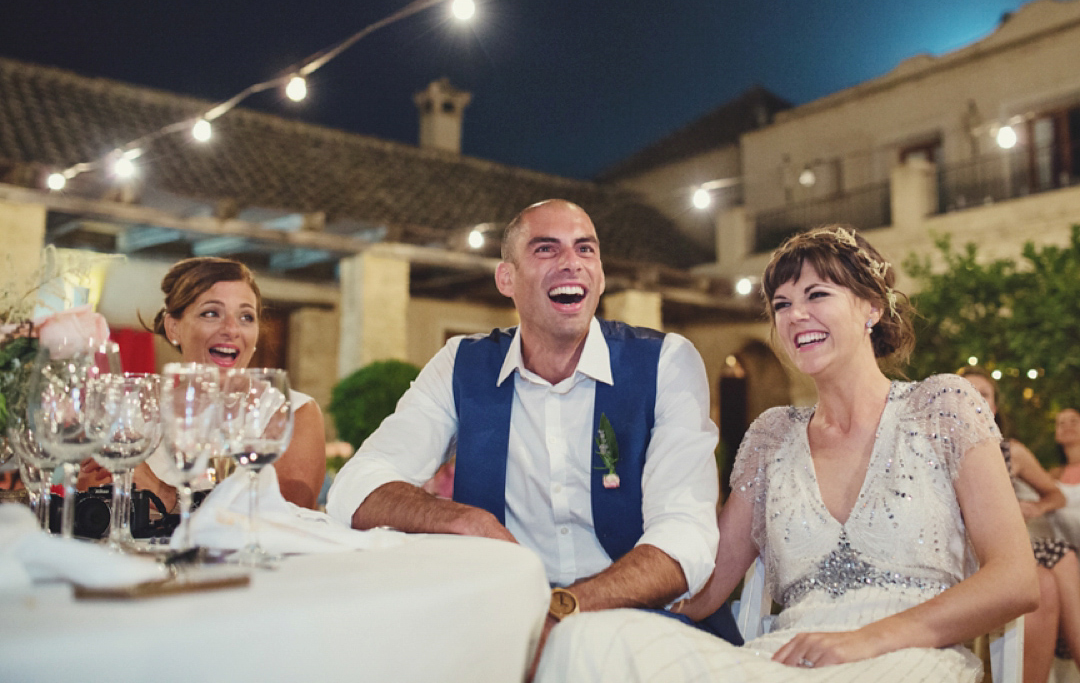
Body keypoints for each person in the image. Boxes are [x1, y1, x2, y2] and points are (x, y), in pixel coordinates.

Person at [534, 225, 1038, 683]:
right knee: (589, 642)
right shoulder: (772, 437)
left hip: (911, 658)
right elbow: (705, 587)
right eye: (781, 304)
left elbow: (1015, 579)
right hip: (784, 660)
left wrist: (867, 640)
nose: (796, 315)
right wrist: (593, 597)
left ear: (873, 307)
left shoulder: (941, 408)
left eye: (817, 294)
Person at [325, 200, 724, 666]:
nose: (571, 262)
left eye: (585, 249)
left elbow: (687, 533)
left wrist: (563, 610)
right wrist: (465, 521)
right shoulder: (461, 364)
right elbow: (354, 486)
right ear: (506, 279)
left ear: (598, 274)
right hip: (496, 617)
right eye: (546, 249)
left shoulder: (666, 363)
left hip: (634, 621)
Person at [83, 257, 327, 510]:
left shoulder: (294, 412)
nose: (232, 329)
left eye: (246, 317)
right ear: (173, 328)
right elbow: (97, 497)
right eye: (211, 313)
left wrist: (162, 493)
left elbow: (287, 515)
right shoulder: (135, 407)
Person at [960, 370, 1080, 683]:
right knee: (1048, 574)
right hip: (958, 552)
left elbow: (1056, 494)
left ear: (994, 408)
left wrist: (1037, 507)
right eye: (966, 390)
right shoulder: (930, 445)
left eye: (983, 393)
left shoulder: (1010, 451)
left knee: (1054, 567)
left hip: (1001, 548)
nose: (974, 398)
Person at [1050, 408, 1080, 487]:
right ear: (1056, 436)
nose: (1067, 426)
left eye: (1073, 422)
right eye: (1061, 423)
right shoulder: (1055, 475)